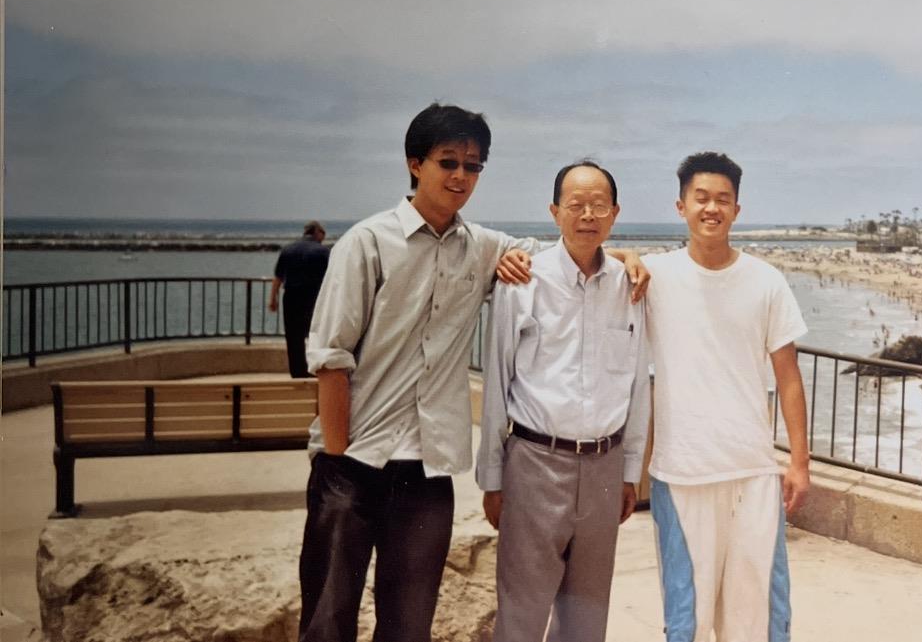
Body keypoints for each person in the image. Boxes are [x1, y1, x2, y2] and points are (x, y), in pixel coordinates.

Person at [296, 104, 647, 642]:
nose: (461, 176)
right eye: (448, 162)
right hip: (353, 465)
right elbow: (330, 360)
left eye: (473, 165)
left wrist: (622, 252)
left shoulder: (486, 249)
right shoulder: (365, 244)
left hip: (427, 473)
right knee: (327, 622)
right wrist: (340, 458)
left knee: (409, 626)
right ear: (415, 164)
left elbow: (572, 247)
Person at [476, 161, 651, 642]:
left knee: (586, 621)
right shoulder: (523, 281)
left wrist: (630, 472)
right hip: (534, 464)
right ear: (555, 212)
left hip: (604, 466)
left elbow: (638, 387)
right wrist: (493, 477)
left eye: (599, 205)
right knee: (521, 615)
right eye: (576, 205)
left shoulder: (631, 286)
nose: (587, 215)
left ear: (614, 214)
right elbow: (498, 381)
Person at [642, 152, 810, 642]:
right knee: (687, 619)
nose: (711, 208)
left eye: (722, 199)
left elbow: (789, 375)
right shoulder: (654, 275)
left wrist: (799, 462)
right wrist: (626, 256)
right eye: (701, 198)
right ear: (680, 206)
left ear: (737, 209)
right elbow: (592, 260)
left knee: (759, 617)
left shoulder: (766, 280)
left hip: (754, 471)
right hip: (681, 471)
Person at [269, 221, 330, 377]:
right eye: (323, 234)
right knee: (317, 333)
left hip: (291, 297)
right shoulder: (323, 251)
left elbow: (278, 277)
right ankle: (316, 368)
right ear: (318, 232)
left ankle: (297, 371)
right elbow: (332, 278)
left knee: (293, 335)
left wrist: (272, 299)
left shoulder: (288, 249)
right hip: (314, 297)